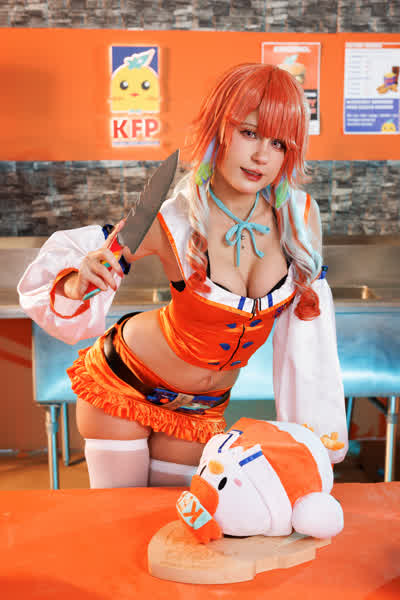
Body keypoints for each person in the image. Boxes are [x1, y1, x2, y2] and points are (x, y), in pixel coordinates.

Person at [18, 63, 348, 490]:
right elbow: (82, 268)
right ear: (219, 129)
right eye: (249, 133)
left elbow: (310, 332)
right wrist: (80, 280)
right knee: (120, 520)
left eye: (278, 142)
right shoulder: (172, 218)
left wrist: (314, 430)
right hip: (126, 382)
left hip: (201, 407)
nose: (262, 156)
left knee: (178, 518)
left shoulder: (300, 219)